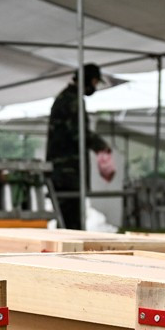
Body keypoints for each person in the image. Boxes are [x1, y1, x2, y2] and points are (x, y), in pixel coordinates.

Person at [45, 63, 111, 228]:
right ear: (89, 80)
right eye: (95, 82)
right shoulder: (72, 100)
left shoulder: (66, 98)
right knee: (71, 224)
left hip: (63, 172)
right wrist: (101, 146)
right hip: (67, 173)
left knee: (66, 222)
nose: (95, 87)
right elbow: (79, 133)